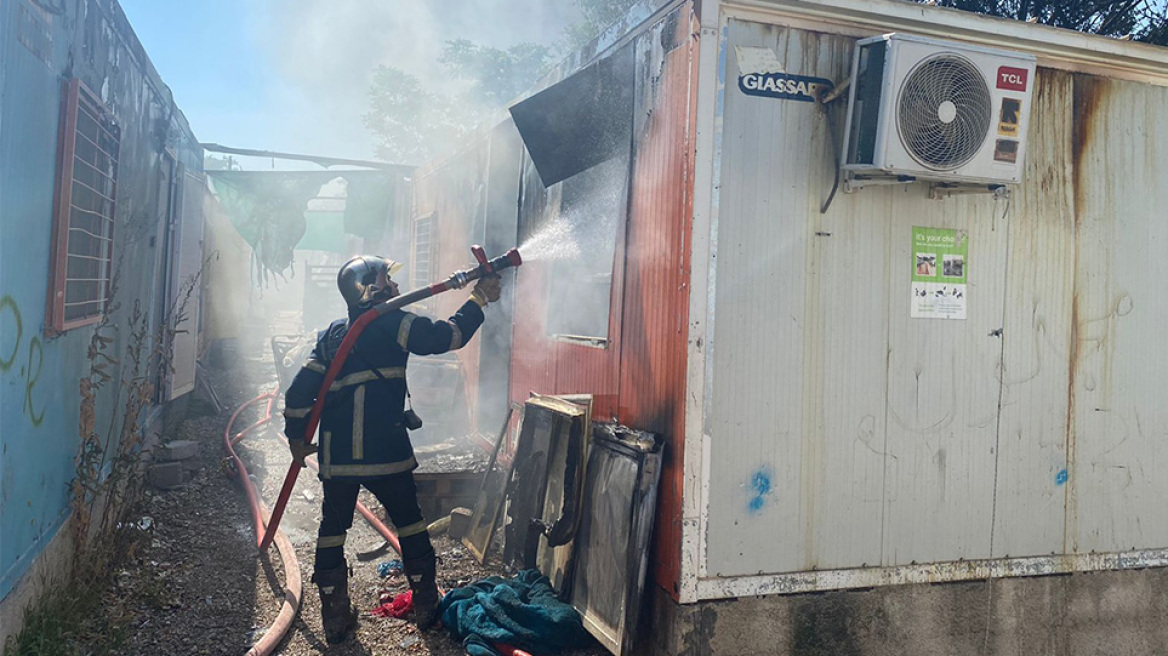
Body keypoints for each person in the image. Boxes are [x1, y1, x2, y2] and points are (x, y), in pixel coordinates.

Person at [282, 255, 502, 644]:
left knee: (332, 529)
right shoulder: (394, 322)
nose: (397, 286)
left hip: (339, 457)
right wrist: (479, 299)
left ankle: (334, 618)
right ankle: (427, 606)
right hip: (385, 451)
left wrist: (297, 439)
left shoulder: (333, 335)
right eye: (388, 279)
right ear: (371, 289)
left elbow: (299, 393)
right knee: (410, 523)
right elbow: (448, 337)